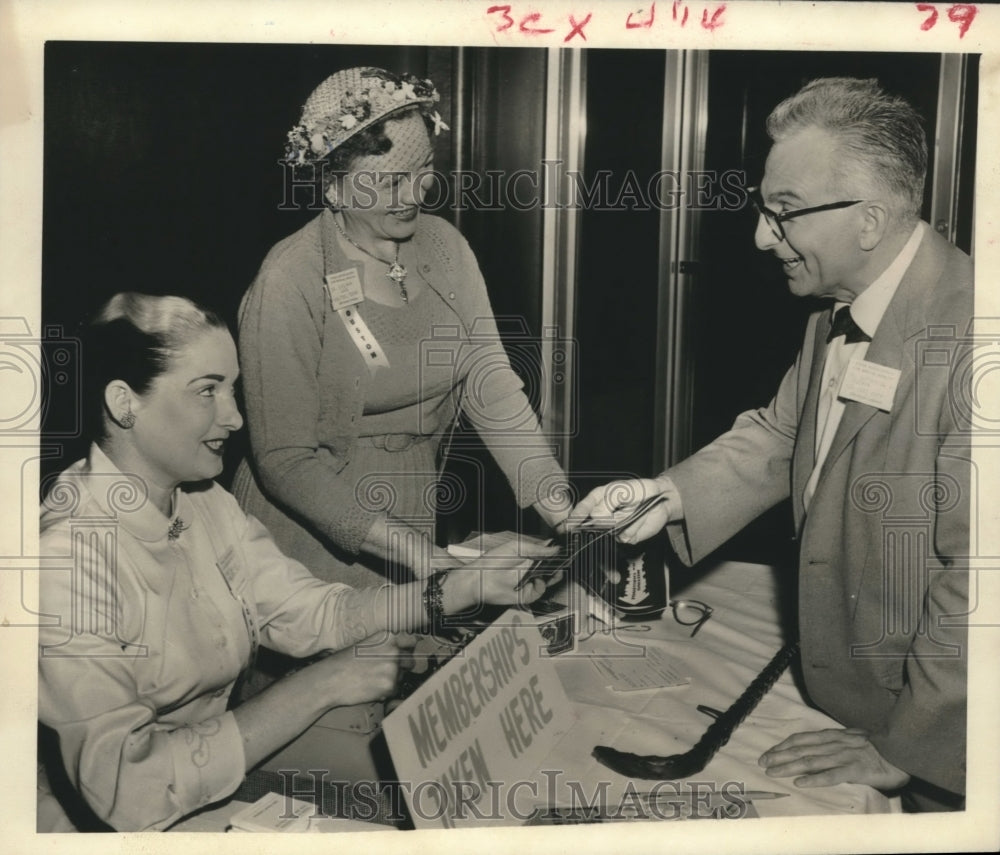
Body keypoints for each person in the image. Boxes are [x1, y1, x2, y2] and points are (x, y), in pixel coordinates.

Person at [566, 78, 971, 812]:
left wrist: (908, 747)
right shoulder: (841, 309)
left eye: (783, 214)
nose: (760, 236)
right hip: (845, 686)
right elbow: (785, 431)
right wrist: (666, 495)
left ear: (871, 220)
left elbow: (979, 583)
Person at [37, 292, 558, 832]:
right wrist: (323, 685)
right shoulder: (65, 560)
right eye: (207, 391)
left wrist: (459, 587)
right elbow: (126, 794)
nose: (235, 417)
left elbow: (312, 612)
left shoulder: (204, 502)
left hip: (208, 790)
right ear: (125, 403)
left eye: (233, 389)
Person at [233, 66, 569, 592]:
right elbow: (285, 461)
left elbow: (490, 382)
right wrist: (417, 552)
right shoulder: (290, 278)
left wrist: (557, 501)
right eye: (391, 182)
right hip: (311, 535)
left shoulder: (443, 246)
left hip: (413, 503)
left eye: (425, 171)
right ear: (334, 187)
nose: (416, 194)